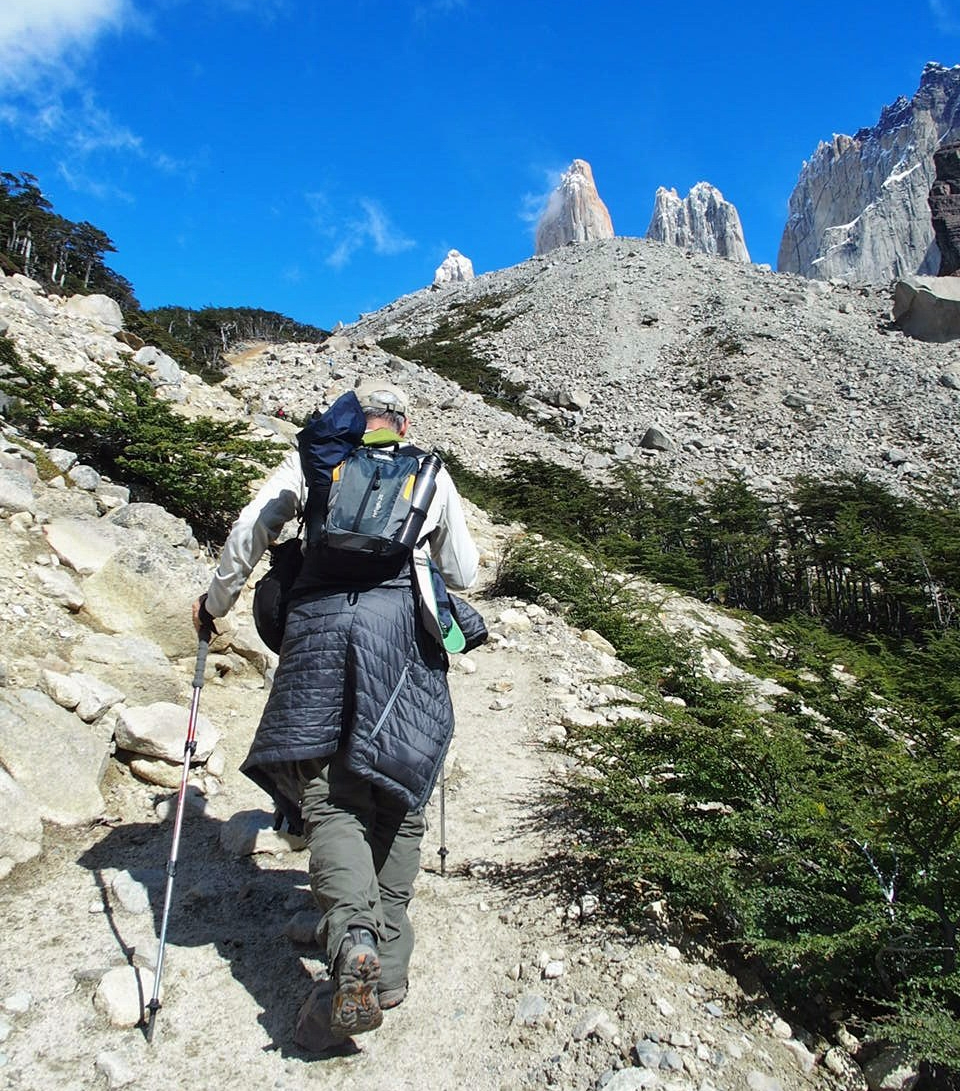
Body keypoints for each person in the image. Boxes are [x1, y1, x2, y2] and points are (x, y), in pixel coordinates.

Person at [192, 379, 479, 1038]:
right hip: (402, 640)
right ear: (402, 424)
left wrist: (214, 605)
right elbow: (461, 570)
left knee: (332, 797)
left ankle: (354, 934)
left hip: (318, 636)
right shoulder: (428, 472)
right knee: (399, 796)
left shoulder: (317, 462)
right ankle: (390, 961)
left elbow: (250, 529)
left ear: (350, 418)